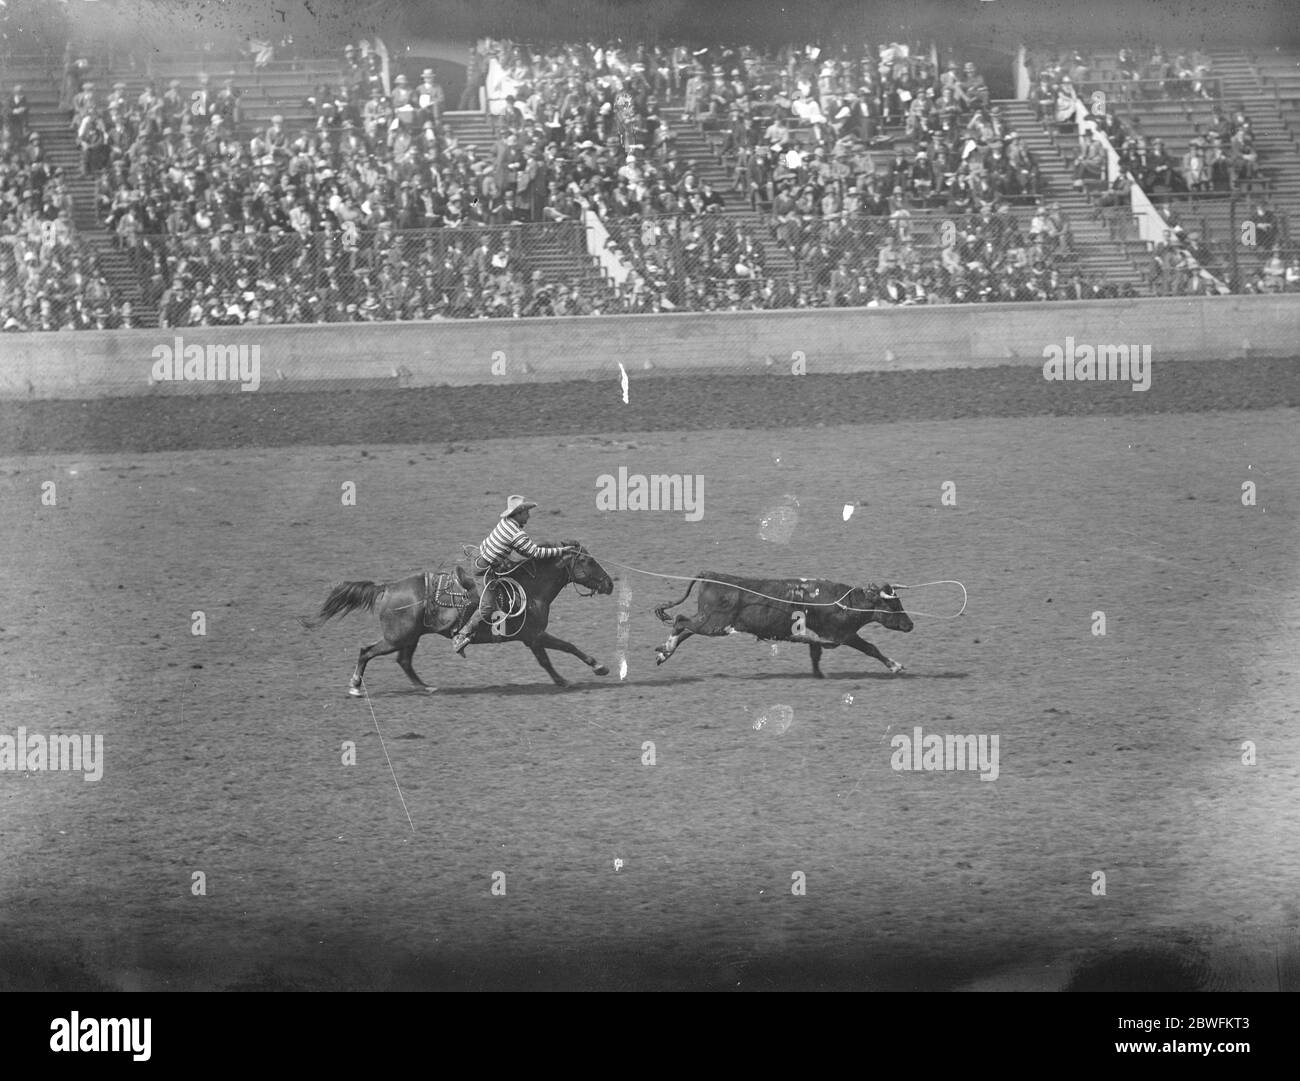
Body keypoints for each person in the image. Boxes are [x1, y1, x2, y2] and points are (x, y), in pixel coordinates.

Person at [450, 496, 575, 655]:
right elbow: (534, 553)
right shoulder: (516, 533)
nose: (529, 516)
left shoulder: (506, 523)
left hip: (480, 558)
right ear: (519, 513)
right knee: (488, 606)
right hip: (483, 570)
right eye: (527, 513)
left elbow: (521, 549)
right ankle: (462, 635)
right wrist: (561, 551)